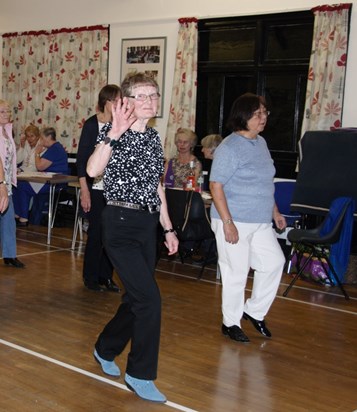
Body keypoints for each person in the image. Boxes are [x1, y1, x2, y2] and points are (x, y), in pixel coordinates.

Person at [86, 72, 178, 403]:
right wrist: (114, 133)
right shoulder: (114, 134)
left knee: (136, 297)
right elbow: (93, 170)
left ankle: (105, 347)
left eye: (153, 94)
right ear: (126, 101)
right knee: (150, 300)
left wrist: (167, 226)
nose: (150, 101)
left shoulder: (153, 137)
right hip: (120, 222)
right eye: (142, 95)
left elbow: (157, 185)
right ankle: (139, 374)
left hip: (147, 224)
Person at [209, 93, 286, 343]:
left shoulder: (260, 143)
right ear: (243, 117)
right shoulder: (229, 147)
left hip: (260, 219)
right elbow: (216, 185)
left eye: (265, 113)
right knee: (236, 272)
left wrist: (274, 211)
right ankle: (230, 322)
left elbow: (265, 182)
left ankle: (253, 311)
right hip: (233, 219)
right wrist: (228, 223)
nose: (263, 118)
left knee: (274, 262)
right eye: (257, 114)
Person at [76, 84, 121, 292]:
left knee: (112, 234)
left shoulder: (120, 126)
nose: (119, 105)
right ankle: (91, 276)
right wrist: (84, 190)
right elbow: (82, 160)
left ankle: (106, 276)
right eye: (115, 101)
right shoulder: (92, 124)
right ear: (106, 103)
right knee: (96, 233)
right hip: (95, 187)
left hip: (114, 189)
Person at [12, 127, 68, 226]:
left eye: (42, 138)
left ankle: (24, 218)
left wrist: (37, 153)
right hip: (47, 178)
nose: (40, 141)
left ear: (49, 137)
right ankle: (18, 215)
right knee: (18, 184)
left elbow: (40, 166)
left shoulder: (55, 149)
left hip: (54, 182)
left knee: (23, 186)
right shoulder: (53, 148)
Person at [0, 99, 25, 268]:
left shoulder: (7, 131)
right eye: (2, 111)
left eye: (8, 111)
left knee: (9, 219)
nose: (7, 114)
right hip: (0, 180)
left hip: (6, 181)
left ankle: (9, 254)